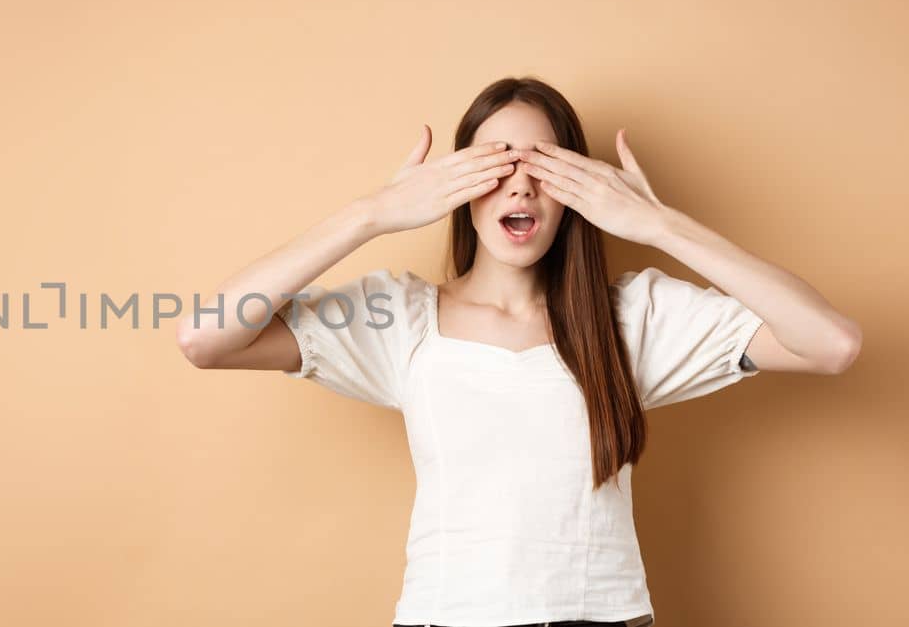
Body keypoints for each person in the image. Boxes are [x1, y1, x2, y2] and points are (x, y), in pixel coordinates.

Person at [173, 77, 861, 627]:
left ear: (577, 189)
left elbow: (831, 342)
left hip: (604, 615)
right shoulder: (402, 320)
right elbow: (205, 336)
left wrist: (659, 224)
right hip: (447, 619)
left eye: (544, 165)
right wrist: (370, 214)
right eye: (495, 162)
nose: (521, 183)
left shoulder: (632, 318)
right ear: (457, 186)